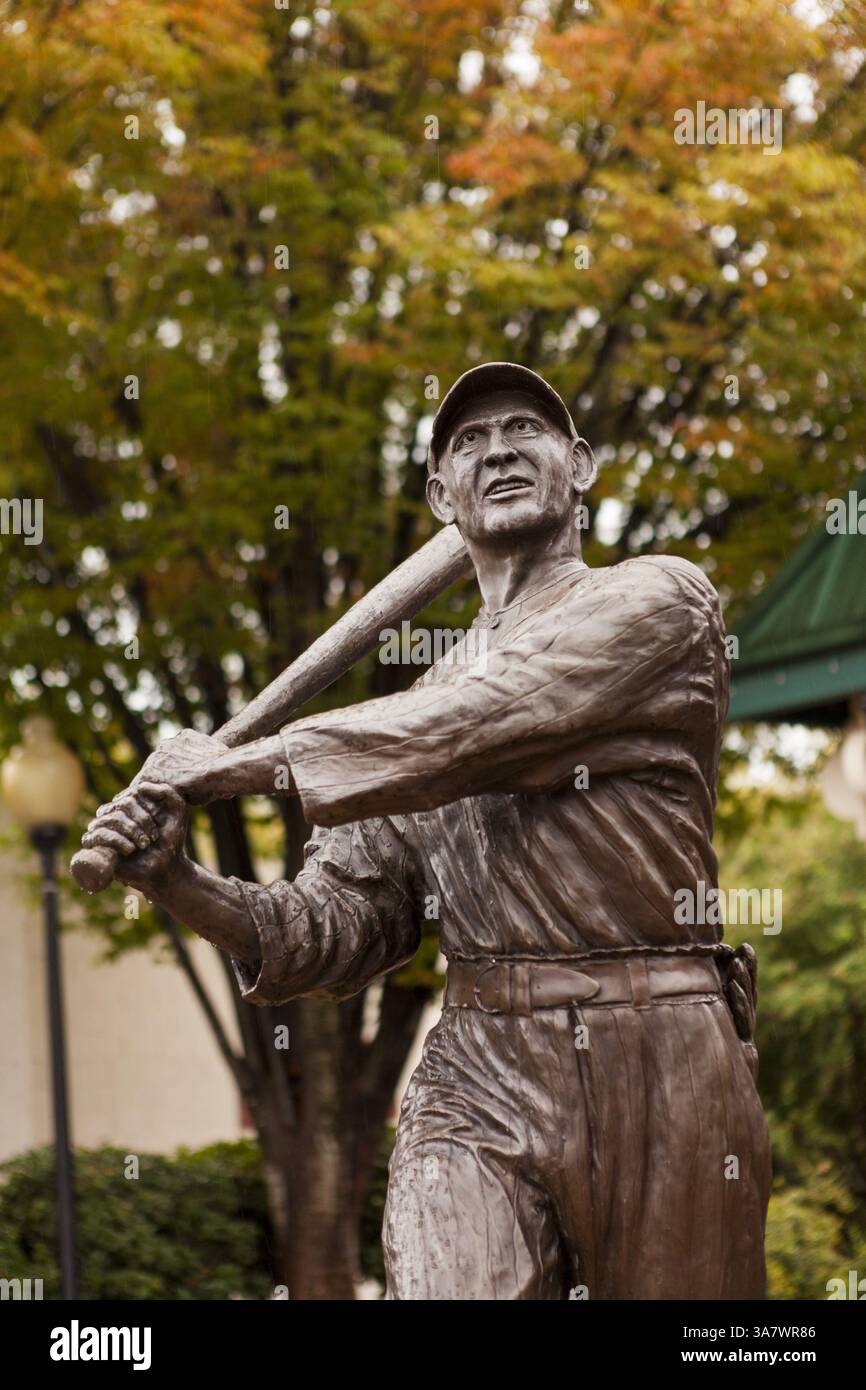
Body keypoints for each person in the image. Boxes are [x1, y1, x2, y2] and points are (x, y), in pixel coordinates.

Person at [82, 362, 771, 1300]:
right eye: (467, 444)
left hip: (659, 1045)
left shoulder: (660, 603)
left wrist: (237, 763)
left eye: (524, 429)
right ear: (443, 495)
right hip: (477, 1064)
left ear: (580, 465)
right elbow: (329, 927)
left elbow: (486, 724)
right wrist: (178, 882)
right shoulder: (413, 709)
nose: (498, 451)